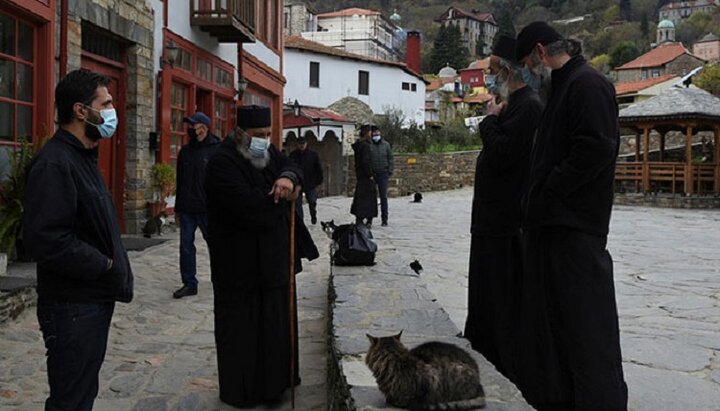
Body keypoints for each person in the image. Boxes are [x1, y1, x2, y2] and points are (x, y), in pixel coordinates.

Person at [514, 22, 628, 411]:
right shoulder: (563, 87)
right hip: (554, 230)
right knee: (557, 332)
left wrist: (548, 191)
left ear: (541, 52)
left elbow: (595, 149)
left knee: (587, 333)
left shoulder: (587, 85)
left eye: (528, 62)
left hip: (576, 231)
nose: (528, 72)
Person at [23, 69, 134, 411]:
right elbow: (48, 239)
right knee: (70, 401)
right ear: (81, 111)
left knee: (82, 394)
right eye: (107, 103)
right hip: (72, 306)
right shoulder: (55, 162)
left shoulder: (83, 155)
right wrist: (104, 264)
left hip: (92, 300)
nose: (113, 111)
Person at [205, 105, 319, 408]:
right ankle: (246, 391)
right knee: (243, 334)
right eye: (258, 135)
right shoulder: (221, 161)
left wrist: (288, 180)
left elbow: (294, 167)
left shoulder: (267, 153)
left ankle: (277, 385)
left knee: (275, 327)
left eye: (268, 134)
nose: (264, 140)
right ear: (241, 134)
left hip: (274, 262)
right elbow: (250, 206)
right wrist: (287, 198)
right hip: (239, 267)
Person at [463, 35, 543, 383]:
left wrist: (490, 121)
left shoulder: (528, 108)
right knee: (485, 298)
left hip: (504, 224)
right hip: (490, 223)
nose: (489, 78)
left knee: (499, 301)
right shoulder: (515, 105)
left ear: (510, 70)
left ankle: (500, 364)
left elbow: (502, 155)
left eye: (494, 70)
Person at [172, 112, 220, 298]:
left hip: (209, 209)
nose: (190, 128)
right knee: (185, 246)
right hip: (187, 209)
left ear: (204, 127)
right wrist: (177, 209)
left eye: (193, 125)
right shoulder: (185, 151)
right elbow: (180, 181)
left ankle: (221, 277)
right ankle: (189, 283)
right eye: (189, 125)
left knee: (215, 245)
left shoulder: (217, 150)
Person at [289, 136, 323, 224]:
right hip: (297, 184)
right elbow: (290, 168)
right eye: (300, 144)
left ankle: (313, 215)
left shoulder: (313, 155)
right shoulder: (293, 155)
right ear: (297, 145)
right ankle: (300, 221)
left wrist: (319, 181)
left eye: (303, 144)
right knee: (297, 204)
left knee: (312, 201)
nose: (302, 146)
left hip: (310, 183)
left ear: (306, 144)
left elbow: (318, 168)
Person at [350, 124, 378, 227]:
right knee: (369, 199)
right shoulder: (365, 146)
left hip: (360, 177)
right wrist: (370, 174)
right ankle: (368, 219)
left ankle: (359, 218)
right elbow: (366, 162)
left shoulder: (359, 145)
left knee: (360, 198)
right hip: (366, 177)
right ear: (367, 133)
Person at [369, 126, 394, 226]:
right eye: (374, 134)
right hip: (373, 174)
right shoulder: (370, 145)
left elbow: (390, 158)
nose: (376, 135)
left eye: (377, 133)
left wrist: (389, 171)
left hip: (383, 173)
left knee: (383, 197)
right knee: (371, 197)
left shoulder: (386, 145)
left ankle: (384, 219)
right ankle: (369, 219)